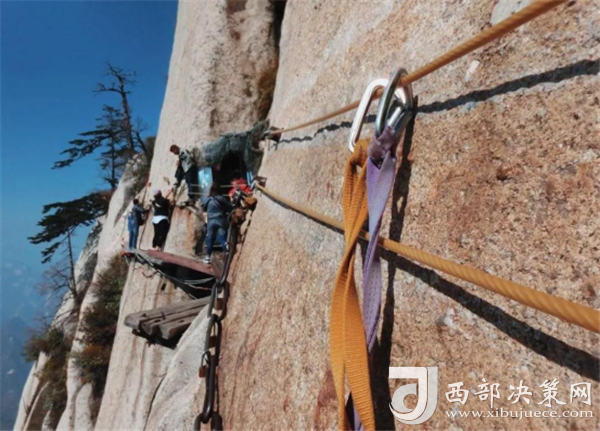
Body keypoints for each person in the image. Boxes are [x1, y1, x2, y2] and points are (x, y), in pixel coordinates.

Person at [201, 186, 232, 264]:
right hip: (220, 220)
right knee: (221, 236)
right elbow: (229, 207)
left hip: (211, 222)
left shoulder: (208, 200)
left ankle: (207, 257)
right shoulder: (221, 198)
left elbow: (204, 208)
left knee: (210, 238)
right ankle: (226, 250)